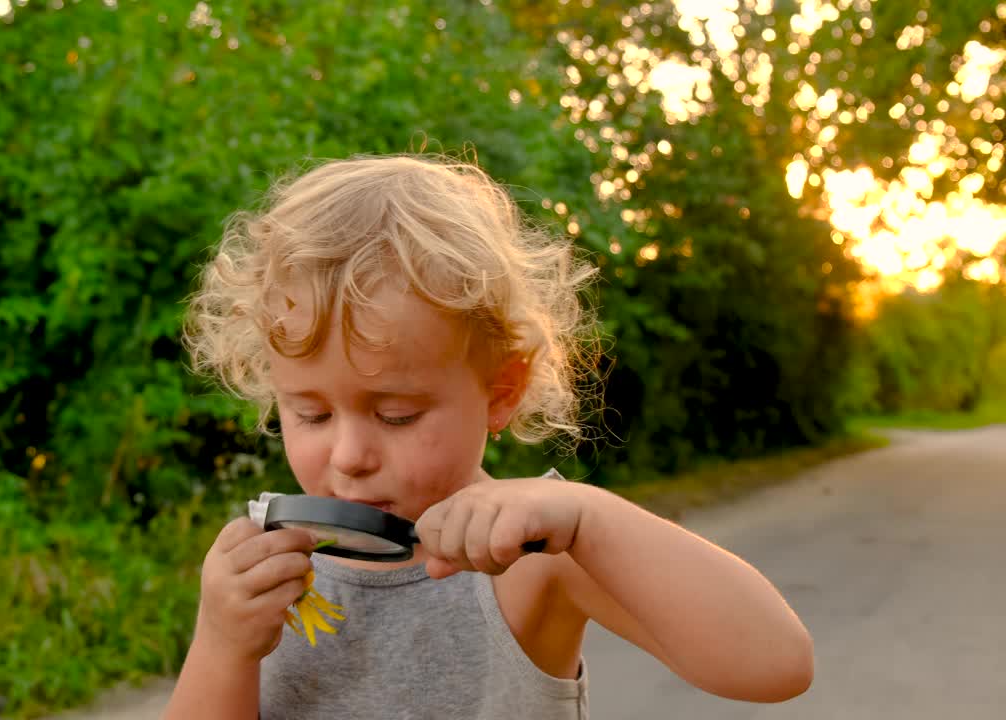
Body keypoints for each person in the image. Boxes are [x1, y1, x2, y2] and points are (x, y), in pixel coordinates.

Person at [163, 154, 813, 719]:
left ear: (500, 391)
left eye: (396, 416)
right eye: (311, 414)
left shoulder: (531, 561)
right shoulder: (272, 577)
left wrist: (590, 518)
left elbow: (776, 665)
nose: (349, 457)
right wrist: (223, 641)